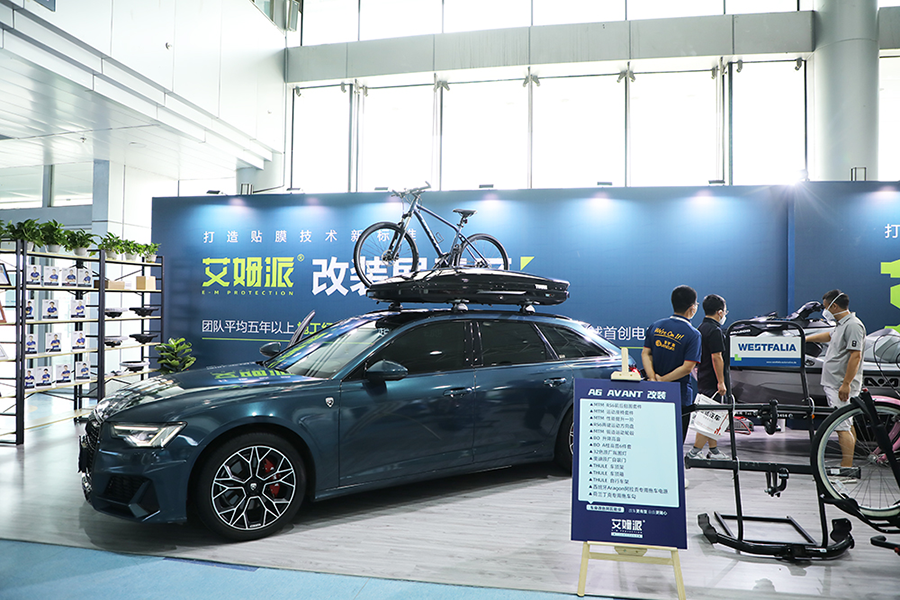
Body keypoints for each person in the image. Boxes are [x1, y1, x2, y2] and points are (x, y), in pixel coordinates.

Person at [806, 289, 865, 479]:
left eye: (826, 307)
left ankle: (846, 469)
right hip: (834, 382)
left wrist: (846, 384)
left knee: (842, 427)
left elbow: (856, 356)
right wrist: (804, 339)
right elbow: (830, 336)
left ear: (835, 306)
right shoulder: (841, 324)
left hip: (841, 385)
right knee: (848, 424)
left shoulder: (853, 325)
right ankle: (848, 466)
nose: (825, 311)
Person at [642, 285, 702, 443]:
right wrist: (663, 380)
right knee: (675, 442)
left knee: (653, 439)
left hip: (653, 392)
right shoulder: (693, 334)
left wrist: (653, 378)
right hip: (679, 395)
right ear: (692, 308)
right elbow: (687, 367)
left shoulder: (656, 326)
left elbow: (646, 353)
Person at [686, 294, 729, 461]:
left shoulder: (701, 328)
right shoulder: (715, 331)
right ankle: (694, 452)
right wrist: (721, 382)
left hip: (703, 376)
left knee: (711, 414)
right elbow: (716, 357)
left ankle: (713, 450)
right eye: (725, 311)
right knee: (708, 417)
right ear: (719, 312)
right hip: (713, 380)